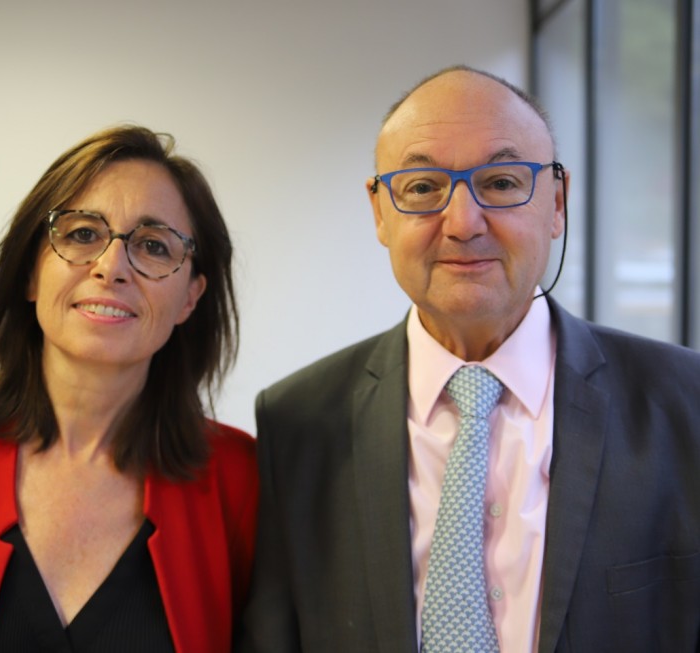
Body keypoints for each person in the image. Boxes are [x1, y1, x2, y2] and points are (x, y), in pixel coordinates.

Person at [241, 66, 700, 652]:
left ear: (557, 204)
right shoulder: (298, 424)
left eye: (502, 182)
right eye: (422, 187)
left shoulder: (684, 404)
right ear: (380, 212)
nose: (462, 223)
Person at [0, 125, 258, 653]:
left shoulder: (240, 480)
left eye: (152, 245)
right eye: (82, 234)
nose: (111, 268)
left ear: (190, 297)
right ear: (32, 273)